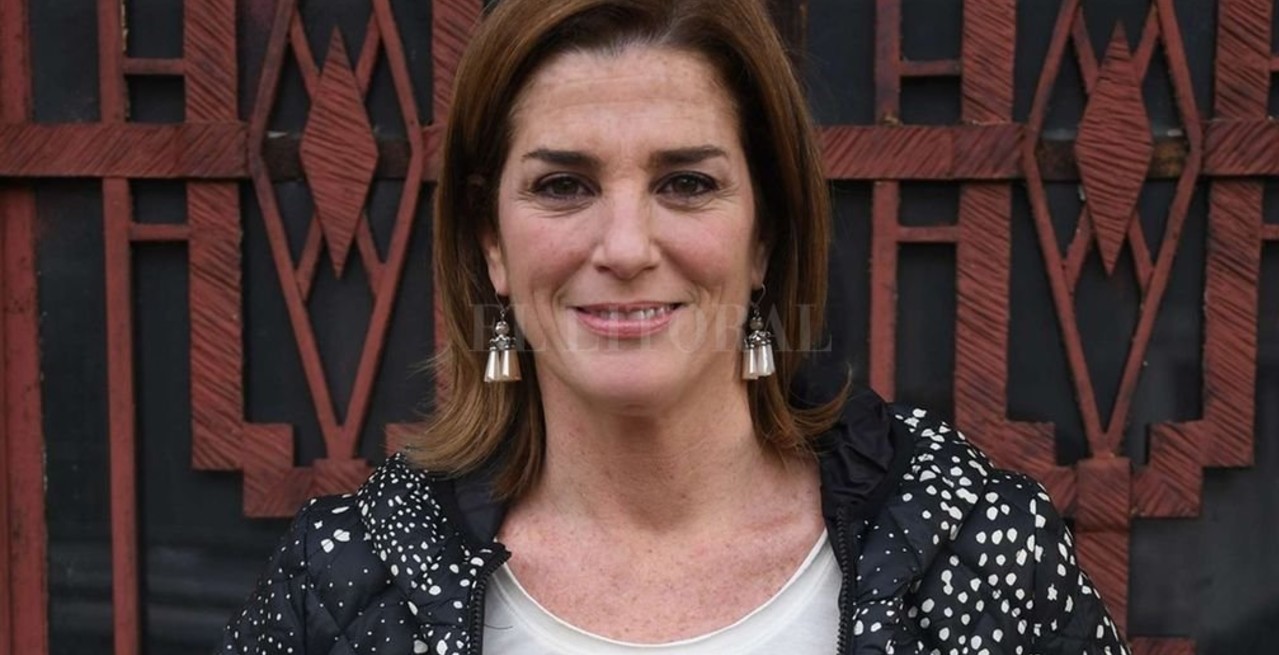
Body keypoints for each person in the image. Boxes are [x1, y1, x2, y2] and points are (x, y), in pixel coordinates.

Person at [218, 0, 1130, 653]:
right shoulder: (350, 578)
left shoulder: (970, 545)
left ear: (765, 234)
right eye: (562, 184)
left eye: (686, 183)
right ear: (489, 241)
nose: (624, 246)